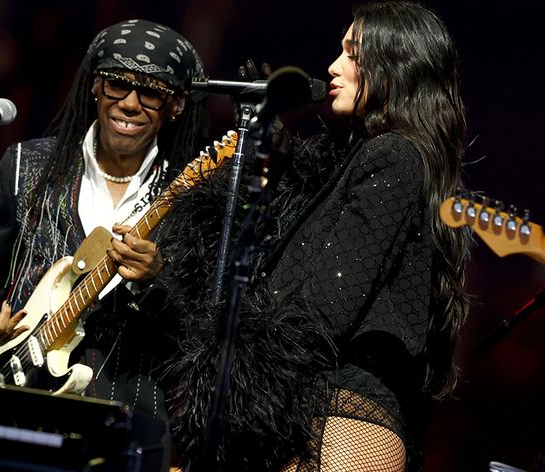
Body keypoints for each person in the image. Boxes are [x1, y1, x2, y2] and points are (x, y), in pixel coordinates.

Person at [155, 2, 470, 471]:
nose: (333, 66)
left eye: (352, 53)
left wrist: (240, 376)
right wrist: (275, 170)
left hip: (344, 421)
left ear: (395, 66)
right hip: (315, 414)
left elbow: (326, 305)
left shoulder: (394, 157)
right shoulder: (362, 159)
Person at [0, 19, 208, 471]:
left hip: (125, 418)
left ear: (177, 105)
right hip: (16, 402)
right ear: (94, 87)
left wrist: (154, 282)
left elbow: (205, 327)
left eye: (151, 92)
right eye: (117, 85)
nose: (129, 103)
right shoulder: (26, 165)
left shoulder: (193, 194)